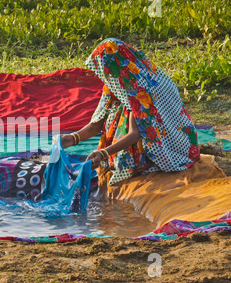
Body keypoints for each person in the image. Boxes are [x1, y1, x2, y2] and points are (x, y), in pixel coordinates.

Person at [61, 38, 200, 186]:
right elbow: (97, 122)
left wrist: (104, 153)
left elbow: (135, 134)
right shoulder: (116, 80)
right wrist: (73, 138)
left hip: (168, 143)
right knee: (116, 110)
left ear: (115, 66)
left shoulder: (139, 87)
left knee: (125, 114)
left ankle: (140, 162)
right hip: (142, 130)